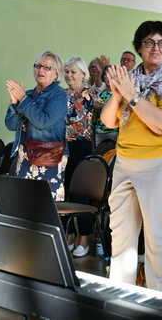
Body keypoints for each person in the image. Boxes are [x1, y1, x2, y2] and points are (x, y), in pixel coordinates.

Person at [101, 20, 162, 292]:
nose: (156, 48)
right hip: (126, 160)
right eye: (150, 42)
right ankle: (120, 295)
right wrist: (118, 95)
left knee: (157, 235)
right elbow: (107, 121)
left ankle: (159, 298)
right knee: (121, 234)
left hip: (161, 162)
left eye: (161, 42)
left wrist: (132, 95)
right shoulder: (133, 75)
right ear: (139, 47)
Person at [5, 51, 67, 200]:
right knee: (21, 205)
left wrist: (23, 100)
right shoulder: (28, 94)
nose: (41, 70)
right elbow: (11, 124)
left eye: (47, 67)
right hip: (25, 157)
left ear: (56, 74)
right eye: (38, 66)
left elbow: (42, 121)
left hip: (47, 157)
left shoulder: (59, 95)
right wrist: (15, 103)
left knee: (43, 208)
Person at [64, 57, 96, 257]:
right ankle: (68, 234)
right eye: (66, 71)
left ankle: (84, 236)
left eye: (73, 72)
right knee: (65, 192)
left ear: (83, 74)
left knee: (82, 193)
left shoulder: (91, 93)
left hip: (83, 146)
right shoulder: (61, 94)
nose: (68, 75)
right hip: (63, 146)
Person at [93, 65, 118, 148]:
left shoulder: (118, 94)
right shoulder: (100, 93)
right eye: (106, 75)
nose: (108, 78)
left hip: (114, 131)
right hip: (100, 131)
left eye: (111, 75)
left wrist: (103, 106)